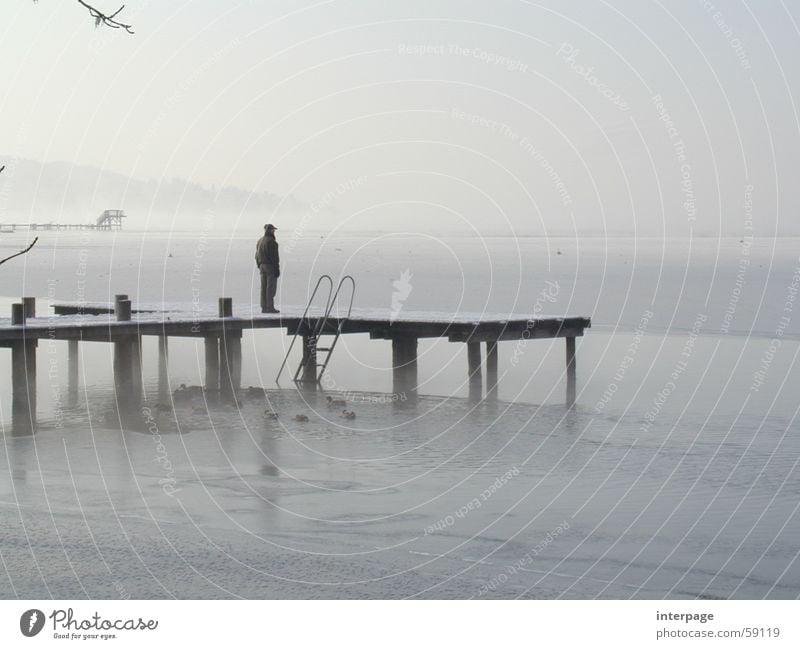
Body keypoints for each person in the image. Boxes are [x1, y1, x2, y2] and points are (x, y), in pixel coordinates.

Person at [255, 223, 280, 313]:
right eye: (273, 230)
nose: (274, 231)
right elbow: (274, 257)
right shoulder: (271, 242)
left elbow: (256, 255)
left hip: (262, 266)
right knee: (270, 288)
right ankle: (270, 307)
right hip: (270, 266)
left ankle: (264, 307)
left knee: (263, 287)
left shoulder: (260, 241)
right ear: (269, 230)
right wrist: (277, 268)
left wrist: (259, 264)